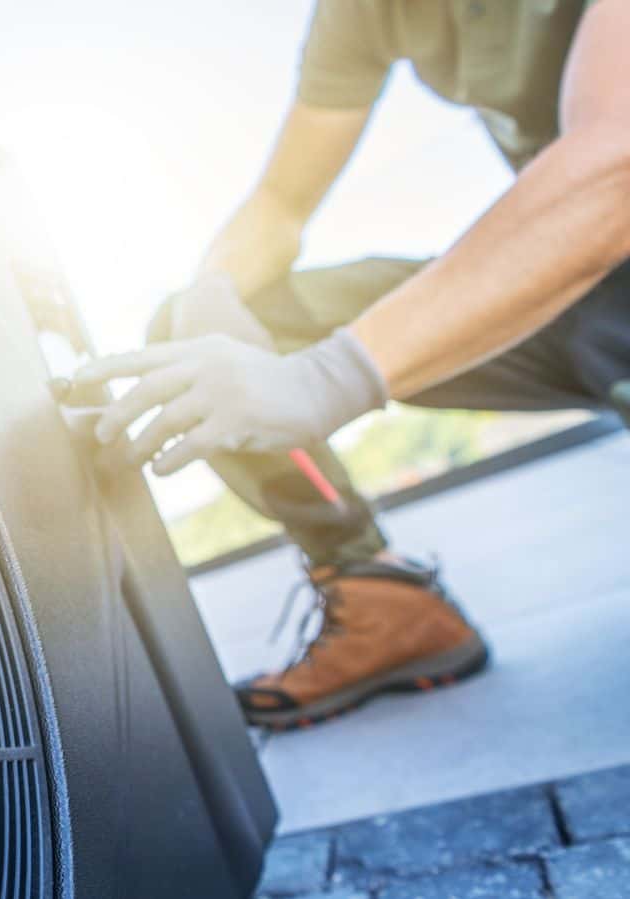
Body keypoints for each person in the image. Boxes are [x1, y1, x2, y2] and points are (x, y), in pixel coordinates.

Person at [72, 0, 630, 730]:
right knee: (200, 323)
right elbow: (278, 204)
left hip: (605, 252)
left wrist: (329, 376)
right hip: (580, 308)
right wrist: (212, 291)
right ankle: (382, 603)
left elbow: (613, 166)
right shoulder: (362, 11)